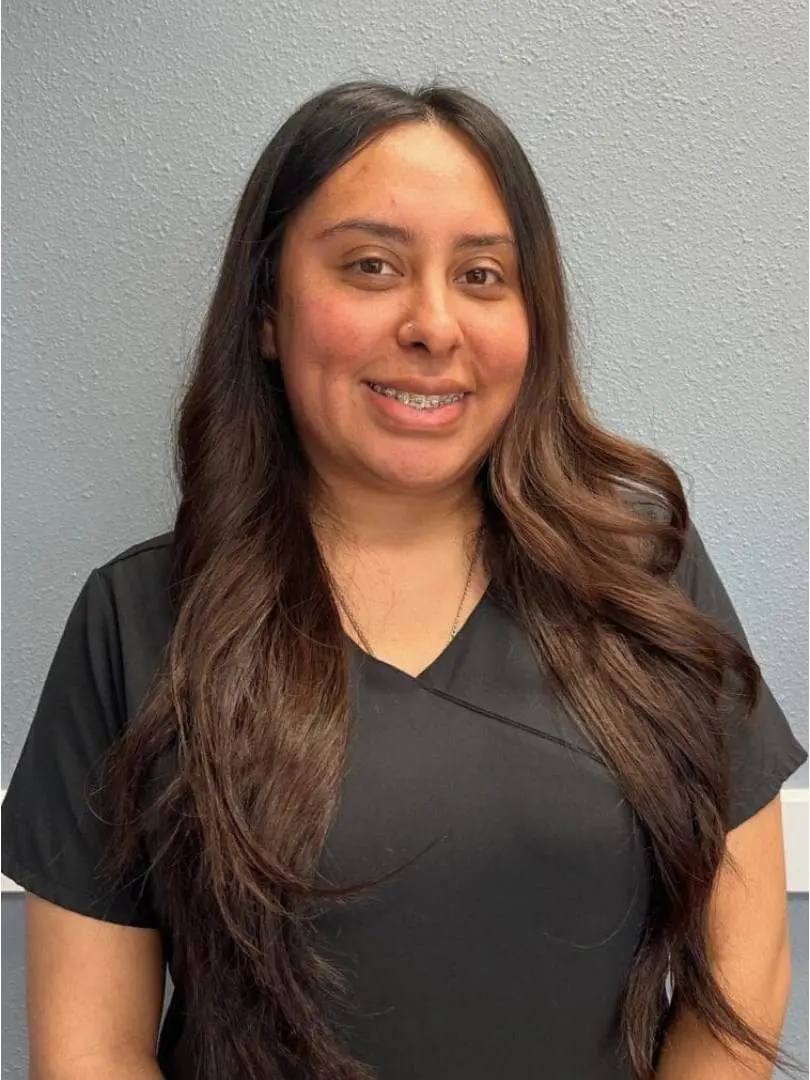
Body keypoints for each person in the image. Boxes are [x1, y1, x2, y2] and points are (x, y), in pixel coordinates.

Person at [2, 79, 806, 1080]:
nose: (434, 324)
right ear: (266, 312)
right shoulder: (136, 624)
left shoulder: (648, 586)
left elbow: (744, 981)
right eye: (371, 266)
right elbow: (92, 1052)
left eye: (482, 277)